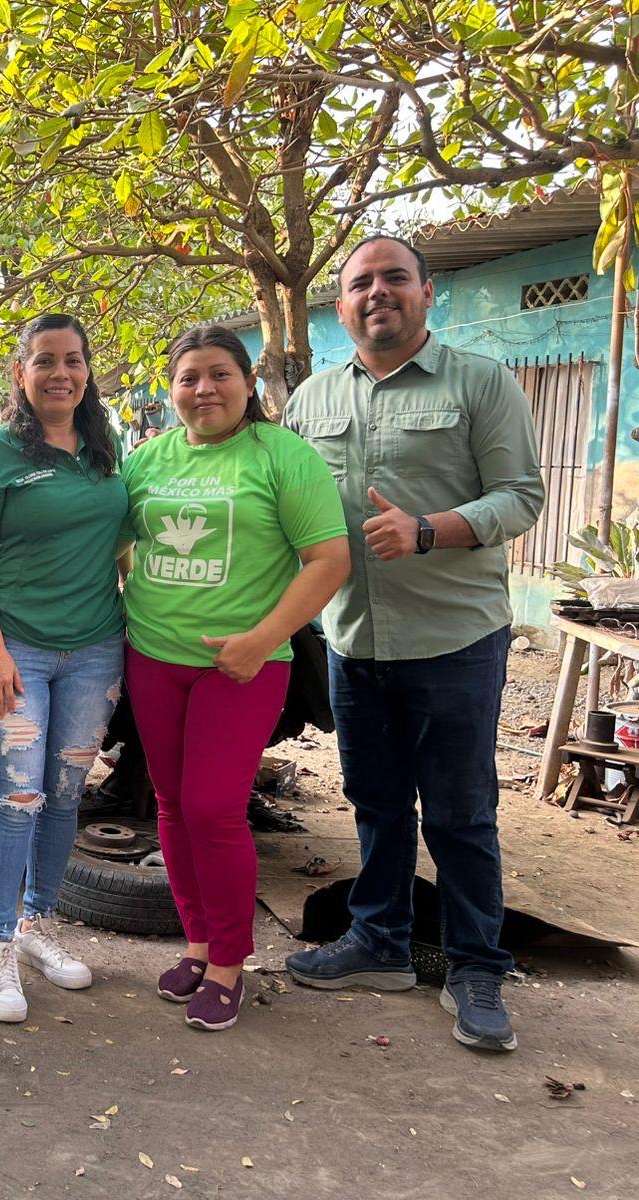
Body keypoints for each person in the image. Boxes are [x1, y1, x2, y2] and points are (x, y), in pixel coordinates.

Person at [283, 234, 545, 1053]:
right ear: (341, 307)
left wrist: (430, 529)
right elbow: (286, 514)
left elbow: (522, 495)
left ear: (429, 293)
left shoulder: (480, 382)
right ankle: (380, 943)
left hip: (455, 641)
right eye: (361, 283)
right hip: (354, 640)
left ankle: (475, 966)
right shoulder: (313, 400)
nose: (378, 293)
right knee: (376, 804)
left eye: (396, 278)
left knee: (462, 815)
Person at [122, 324, 349, 1032]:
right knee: (169, 803)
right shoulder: (147, 459)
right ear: (171, 389)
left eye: (220, 374)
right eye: (188, 377)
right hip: (154, 657)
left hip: (243, 665)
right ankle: (196, 943)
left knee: (214, 807)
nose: (204, 389)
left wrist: (261, 638)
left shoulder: (283, 457)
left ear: (248, 384)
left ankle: (228, 963)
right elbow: (124, 543)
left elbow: (328, 560)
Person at [0, 314, 128, 1023]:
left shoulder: (105, 448)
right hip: (16, 645)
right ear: (21, 374)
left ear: (88, 371)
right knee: (15, 797)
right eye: (45, 360)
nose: (62, 372)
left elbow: (120, 543)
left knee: (64, 794)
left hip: (96, 648)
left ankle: (37, 927)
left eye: (74, 359)